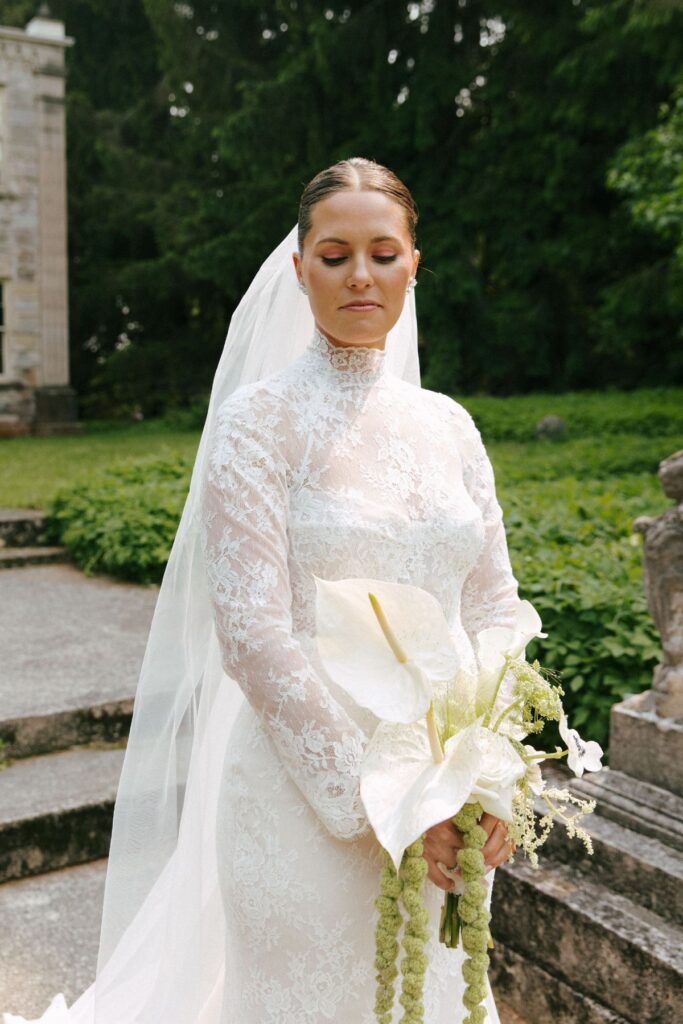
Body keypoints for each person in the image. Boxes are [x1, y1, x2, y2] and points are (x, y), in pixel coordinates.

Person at [3, 158, 517, 1024]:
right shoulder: (257, 422)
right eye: (334, 253)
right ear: (299, 268)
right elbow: (251, 634)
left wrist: (484, 775)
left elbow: (496, 604)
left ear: (413, 267)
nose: (361, 275)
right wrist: (390, 798)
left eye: (383, 253)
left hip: (447, 805)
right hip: (303, 801)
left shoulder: (451, 427)